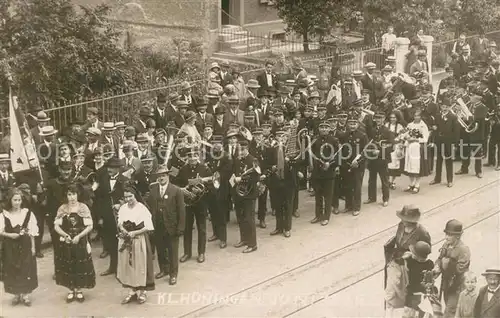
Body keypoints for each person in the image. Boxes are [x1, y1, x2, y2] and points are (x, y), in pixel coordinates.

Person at [384, 205, 431, 314]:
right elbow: (397, 239)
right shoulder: (401, 226)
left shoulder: (422, 232)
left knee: (406, 296)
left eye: (405, 219)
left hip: (410, 267)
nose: (402, 221)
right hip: (396, 262)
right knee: (391, 293)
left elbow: (426, 251)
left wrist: (411, 254)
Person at [54, 183, 96, 303]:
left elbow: (90, 226)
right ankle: (70, 290)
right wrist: (65, 235)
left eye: (74, 194)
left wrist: (79, 236)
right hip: (66, 240)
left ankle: (79, 289)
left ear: (78, 195)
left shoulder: (83, 207)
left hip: (80, 240)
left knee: (80, 264)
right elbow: (56, 226)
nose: (72, 198)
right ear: (66, 195)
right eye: (69, 194)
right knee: (68, 263)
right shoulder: (62, 208)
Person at [0, 188, 39, 306]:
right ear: (10, 201)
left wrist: (33, 247)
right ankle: (16, 294)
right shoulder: (4, 215)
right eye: (14, 200)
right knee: (12, 268)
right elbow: (1, 231)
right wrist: (9, 235)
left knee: (26, 268)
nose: (17, 203)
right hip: (10, 246)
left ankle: (26, 294)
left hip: (25, 245)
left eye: (19, 200)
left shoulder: (27, 213)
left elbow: (32, 232)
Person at [116, 186, 155, 304]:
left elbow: (148, 226)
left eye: (130, 196)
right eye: (126, 197)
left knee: (140, 265)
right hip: (126, 239)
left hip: (139, 239)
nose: (128, 199)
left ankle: (142, 291)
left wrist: (134, 232)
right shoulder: (123, 208)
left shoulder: (142, 208)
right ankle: (132, 290)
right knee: (128, 265)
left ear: (135, 195)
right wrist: (123, 230)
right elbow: (119, 223)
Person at [433, 219, 471, 318]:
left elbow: (461, 269)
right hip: (447, 284)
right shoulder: (446, 245)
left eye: (449, 235)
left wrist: (448, 264)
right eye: (446, 234)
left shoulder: (463, 249)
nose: (446, 237)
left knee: (450, 311)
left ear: (457, 236)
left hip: (458, 287)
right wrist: (437, 268)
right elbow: (440, 259)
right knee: (449, 308)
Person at [402, 241, 434, 317]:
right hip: (423, 294)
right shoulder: (430, 264)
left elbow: (401, 262)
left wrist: (405, 257)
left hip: (411, 294)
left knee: (408, 313)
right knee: (421, 313)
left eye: (414, 253)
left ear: (417, 256)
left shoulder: (411, 263)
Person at [403, 110, 430, 193]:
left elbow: (425, 138)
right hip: (409, 147)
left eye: (418, 116)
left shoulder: (423, 126)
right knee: (409, 166)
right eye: (415, 116)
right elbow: (405, 134)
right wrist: (406, 138)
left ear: (421, 117)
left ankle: (417, 184)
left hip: (418, 148)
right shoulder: (410, 125)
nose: (416, 117)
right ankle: (411, 183)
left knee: (417, 166)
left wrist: (415, 139)